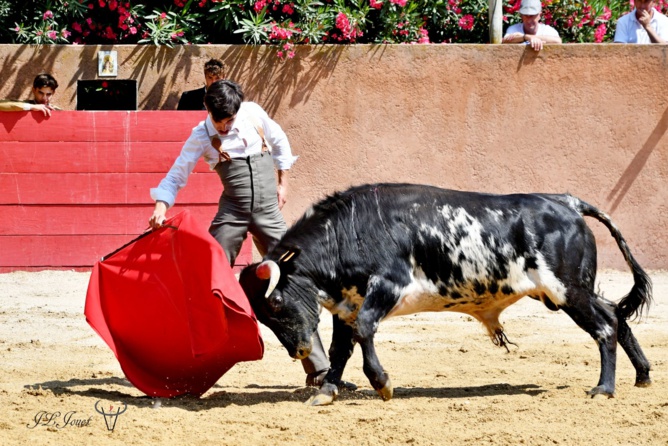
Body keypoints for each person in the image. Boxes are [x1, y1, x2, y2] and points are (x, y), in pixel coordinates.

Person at [149, 80, 341, 388]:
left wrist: (283, 184)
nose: (224, 126)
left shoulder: (253, 114)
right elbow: (176, 174)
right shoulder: (201, 135)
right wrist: (161, 206)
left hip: (269, 213)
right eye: (218, 120)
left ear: (239, 109)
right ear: (206, 110)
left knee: (297, 283)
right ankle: (185, 363)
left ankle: (319, 371)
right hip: (232, 215)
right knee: (204, 279)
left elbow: (280, 142)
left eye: (229, 120)